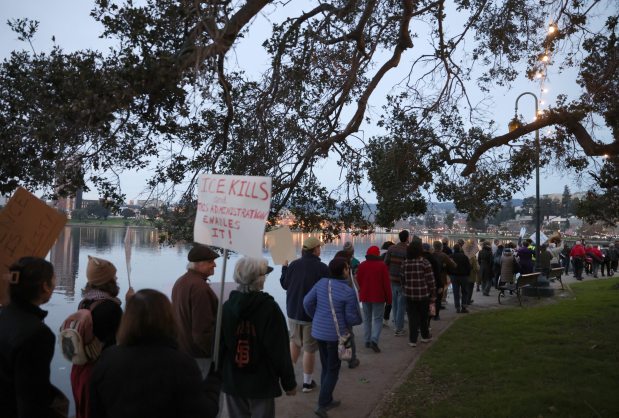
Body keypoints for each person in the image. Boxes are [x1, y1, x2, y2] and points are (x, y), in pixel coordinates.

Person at [89, 289, 221, 418]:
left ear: (128, 319)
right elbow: (202, 412)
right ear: (168, 318)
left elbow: (96, 410)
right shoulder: (181, 364)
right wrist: (213, 385)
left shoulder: (107, 360)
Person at [220, 257, 297, 418]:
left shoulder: (226, 307)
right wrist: (288, 383)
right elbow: (279, 350)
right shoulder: (270, 308)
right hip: (261, 381)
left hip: (233, 379)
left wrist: (219, 376)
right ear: (259, 279)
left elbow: (220, 346)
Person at [0, 257, 68, 418]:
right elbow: (31, 400)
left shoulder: (5, 316)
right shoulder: (37, 334)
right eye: (53, 280)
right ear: (45, 286)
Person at [303, 258, 362, 418]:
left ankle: (327, 398)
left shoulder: (321, 283)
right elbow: (352, 318)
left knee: (326, 366)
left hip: (319, 332)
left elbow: (307, 302)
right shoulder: (347, 291)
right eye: (347, 268)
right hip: (336, 335)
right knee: (333, 369)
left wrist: (316, 317)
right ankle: (322, 404)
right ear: (343, 270)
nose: (348, 270)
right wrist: (353, 320)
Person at [71, 256, 125, 418]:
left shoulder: (85, 302)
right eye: (113, 277)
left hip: (80, 368)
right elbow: (121, 340)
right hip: (101, 372)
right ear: (107, 281)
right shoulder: (111, 308)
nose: (116, 279)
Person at [280, 236, 330, 393]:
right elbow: (327, 291)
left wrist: (284, 268)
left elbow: (285, 285)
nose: (320, 249)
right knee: (309, 348)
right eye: (319, 247)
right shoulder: (322, 268)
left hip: (293, 311)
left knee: (294, 343)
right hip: (311, 314)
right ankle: (307, 383)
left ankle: (287, 377)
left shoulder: (294, 265)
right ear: (315, 249)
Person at [172, 243, 220, 378]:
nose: (214, 265)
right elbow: (202, 331)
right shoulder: (200, 288)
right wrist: (215, 353)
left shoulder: (181, 281)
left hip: (183, 350)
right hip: (198, 356)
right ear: (198, 264)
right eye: (210, 262)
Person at [354, 245, 391, 353]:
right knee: (378, 319)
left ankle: (367, 340)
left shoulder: (362, 265)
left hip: (365, 295)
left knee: (367, 318)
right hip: (378, 296)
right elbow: (386, 284)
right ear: (377, 254)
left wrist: (361, 291)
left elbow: (358, 280)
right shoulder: (382, 266)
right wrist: (389, 299)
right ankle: (374, 339)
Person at [402, 240, 436, 347]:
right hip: (423, 294)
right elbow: (430, 280)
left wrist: (405, 289)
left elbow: (402, 279)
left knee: (412, 317)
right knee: (423, 316)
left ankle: (412, 340)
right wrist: (433, 294)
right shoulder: (425, 263)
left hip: (410, 294)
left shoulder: (405, 263)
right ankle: (425, 336)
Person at [384, 230, 410, 336]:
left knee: (394, 303)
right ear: (407, 238)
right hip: (403, 281)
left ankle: (396, 323)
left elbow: (386, 262)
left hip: (392, 279)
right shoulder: (408, 250)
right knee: (401, 305)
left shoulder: (391, 248)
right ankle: (399, 328)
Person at [430, 241, 456, 319]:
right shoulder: (444, 256)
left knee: (432, 298)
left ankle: (432, 313)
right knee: (438, 298)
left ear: (433, 247)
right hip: (441, 279)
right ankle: (436, 315)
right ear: (441, 247)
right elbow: (453, 265)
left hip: (431, 278)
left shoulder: (431, 255)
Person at [449, 243, 471, 313]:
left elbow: (448, 266)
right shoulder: (465, 257)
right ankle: (464, 307)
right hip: (464, 276)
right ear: (460, 249)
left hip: (454, 276)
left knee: (456, 292)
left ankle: (457, 307)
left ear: (453, 249)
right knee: (464, 291)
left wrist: (450, 274)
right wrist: (468, 274)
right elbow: (468, 267)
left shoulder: (451, 256)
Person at [380, 241, 394, 326]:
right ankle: (385, 318)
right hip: (389, 279)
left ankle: (381, 317)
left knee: (381, 300)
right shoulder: (388, 255)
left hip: (379, 280)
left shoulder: (379, 255)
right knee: (389, 300)